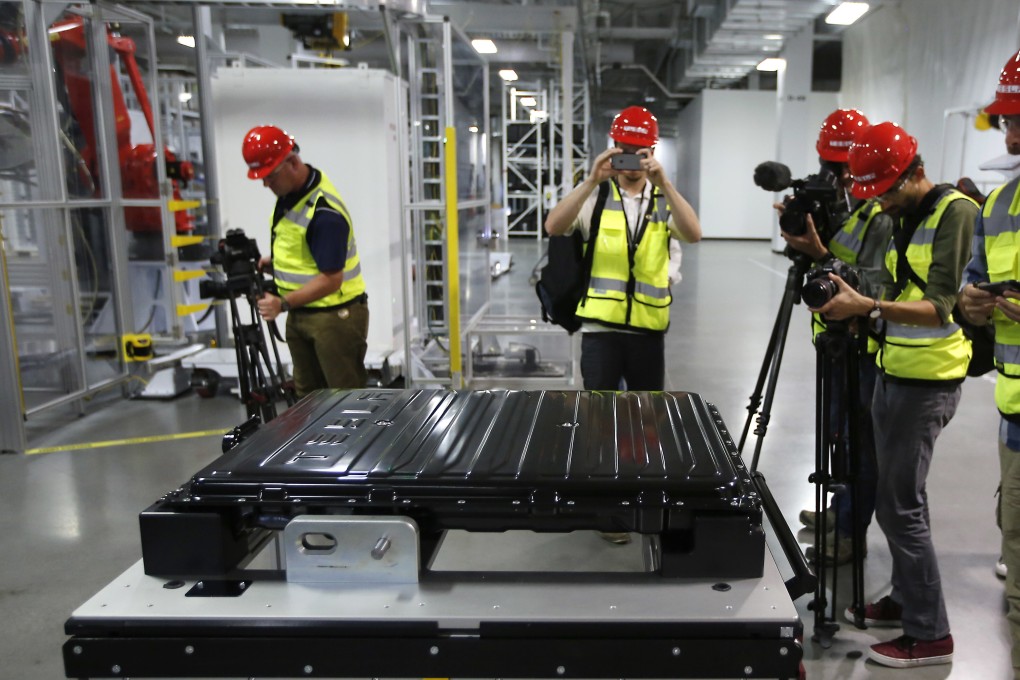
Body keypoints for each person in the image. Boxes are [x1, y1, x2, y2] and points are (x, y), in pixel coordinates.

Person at [809, 121, 978, 668]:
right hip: (892, 368)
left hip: (927, 379)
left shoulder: (955, 213)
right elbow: (886, 284)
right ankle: (907, 601)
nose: (877, 202)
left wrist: (870, 309)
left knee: (899, 507)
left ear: (916, 173)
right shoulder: (900, 214)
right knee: (902, 499)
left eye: (885, 189)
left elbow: (941, 304)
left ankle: (929, 634)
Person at [779, 109, 893, 567]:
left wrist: (819, 251)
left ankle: (850, 531)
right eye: (832, 165)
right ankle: (840, 509)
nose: (838, 176)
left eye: (843, 167)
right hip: (831, 339)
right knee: (836, 435)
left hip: (863, 344)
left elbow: (868, 286)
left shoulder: (881, 212)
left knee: (856, 442)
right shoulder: (840, 204)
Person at [543, 105, 702, 393]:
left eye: (639, 152)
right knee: (599, 416)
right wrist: (591, 180)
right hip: (600, 330)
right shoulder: (596, 194)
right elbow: (553, 226)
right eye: (625, 151)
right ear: (614, 148)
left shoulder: (663, 197)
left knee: (646, 419)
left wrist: (665, 183)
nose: (631, 161)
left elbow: (693, 234)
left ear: (652, 152)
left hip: (648, 328)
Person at [958, 48, 1020, 680]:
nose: (1013, 133)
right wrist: (971, 303)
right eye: (1007, 119)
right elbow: (972, 296)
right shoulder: (999, 206)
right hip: (1017, 419)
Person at [242, 124, 369, 398]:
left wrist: (282, 303)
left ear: (293, 162)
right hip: (304, 314)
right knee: (308, 401)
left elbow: (332, 280)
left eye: (270, 176)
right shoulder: (289, 197)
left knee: (344, 402)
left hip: (333, 318)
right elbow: (304, 252)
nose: (266, 184)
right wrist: (274, 263)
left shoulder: (324, 212)